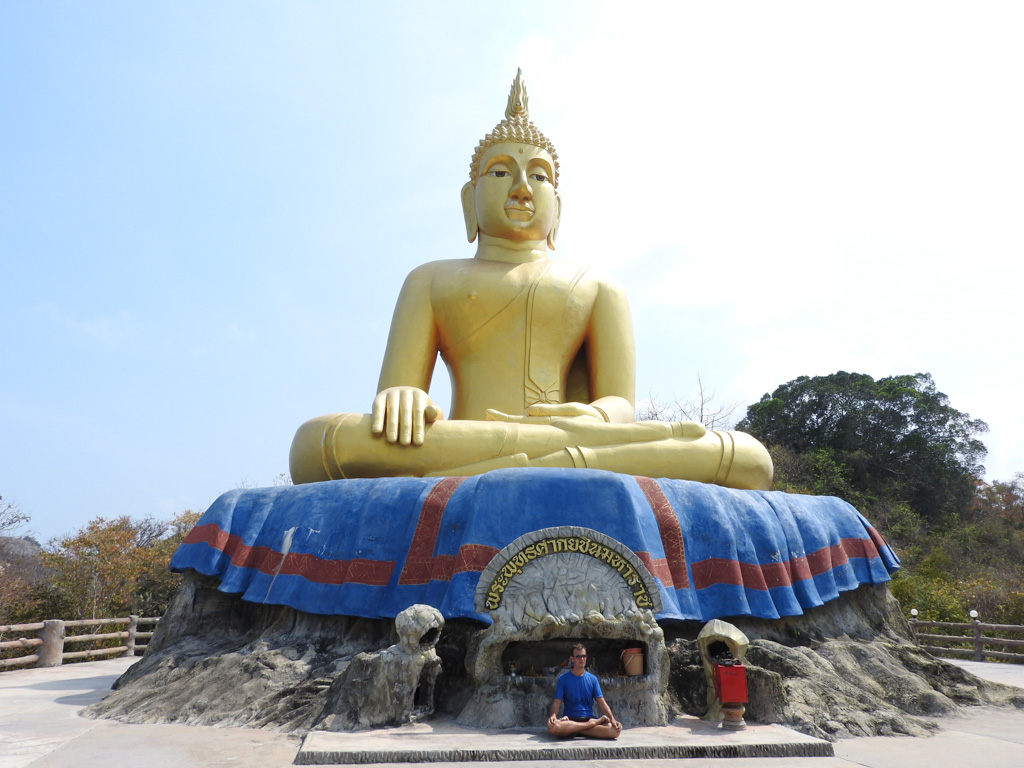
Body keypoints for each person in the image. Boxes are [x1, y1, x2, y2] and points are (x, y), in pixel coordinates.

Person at [289, 70, 773, 490]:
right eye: (501, 172)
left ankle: (531, 459)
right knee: (314, 443)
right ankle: (558, 462)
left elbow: (619, 404)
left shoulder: (597, 284)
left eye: (539, 176)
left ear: (557, 208)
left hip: (571, 434)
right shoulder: (430, 280)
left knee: (749, 457)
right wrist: (405, 398)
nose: (522, 186)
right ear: (469, 199)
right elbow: (396, 398)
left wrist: (599, 417)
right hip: (463, 435)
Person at [547, 643, 622, 739]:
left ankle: (576, 730)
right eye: (578, 656)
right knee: (553, 727)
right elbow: (556, 703)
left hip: (585, 719)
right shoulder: (563, 679)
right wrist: (553, 716)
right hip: (571, 719)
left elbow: (602, 703)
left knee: (615, 731)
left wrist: (613, 720)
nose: (582, 659)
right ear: (572, 659)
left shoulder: (593, 679)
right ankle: (592, 725)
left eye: (584, 656)